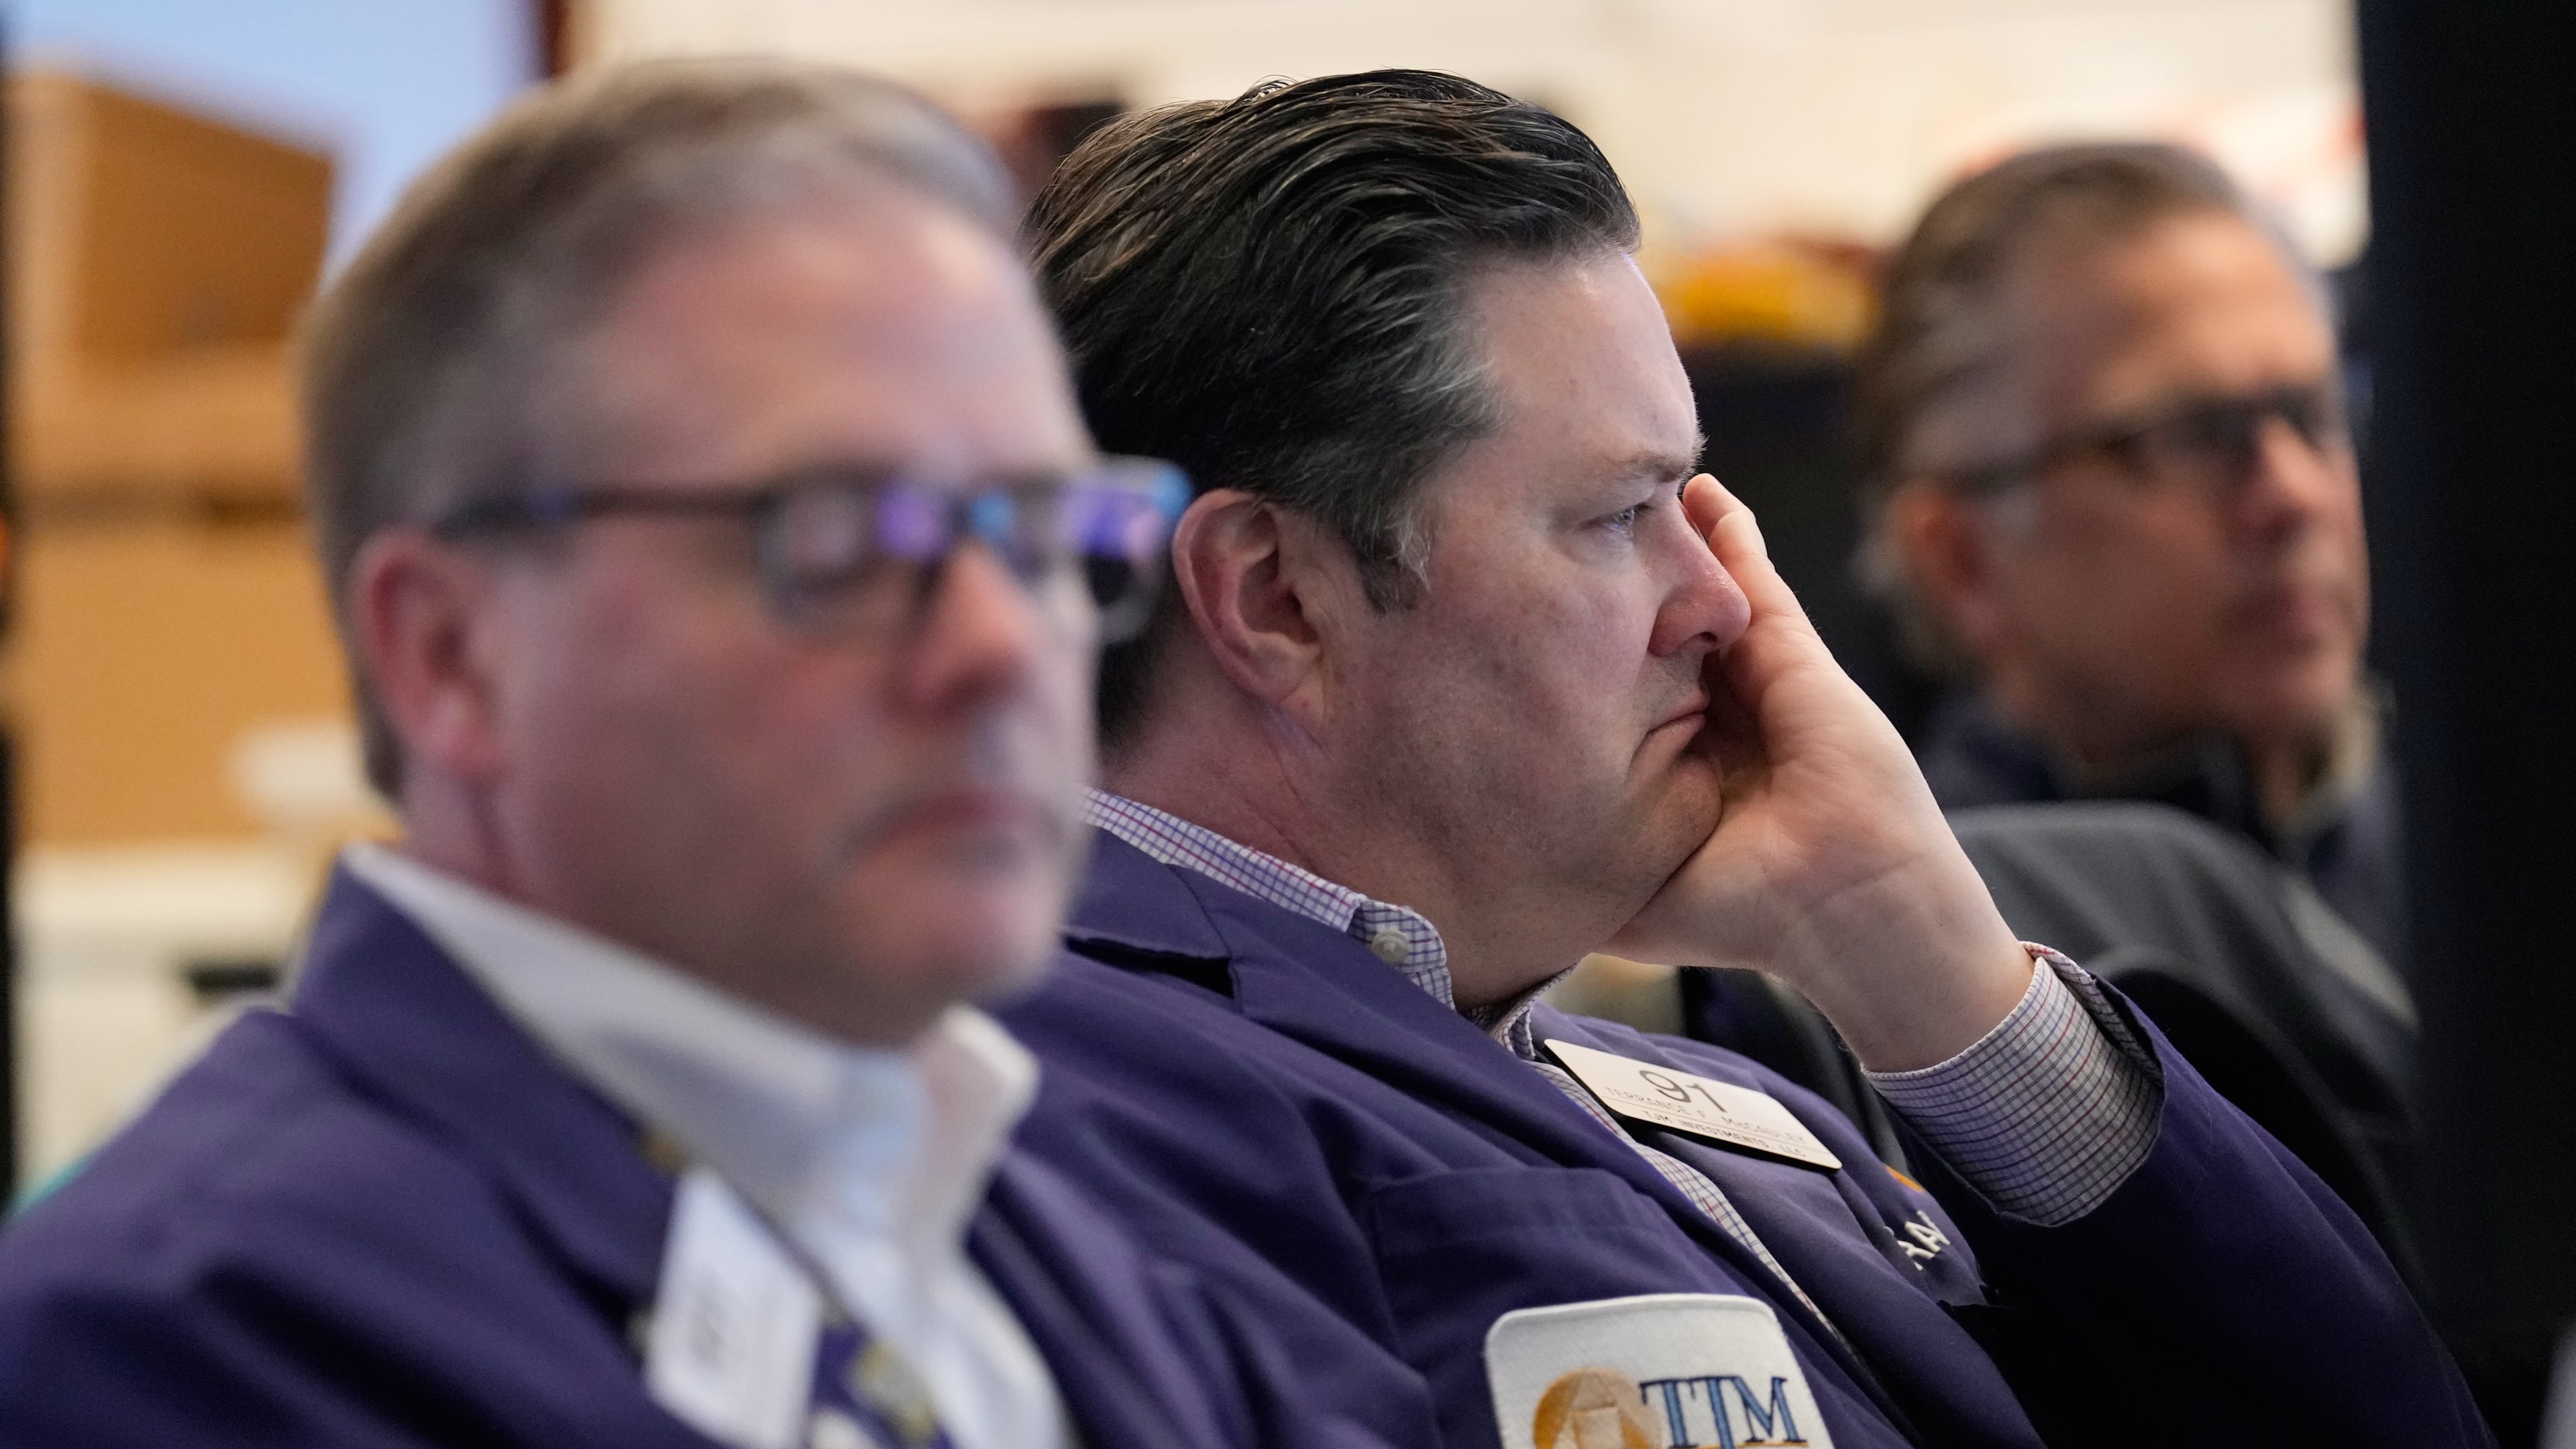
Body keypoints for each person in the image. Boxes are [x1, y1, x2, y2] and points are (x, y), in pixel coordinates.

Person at [994, 70, 2488, 1449]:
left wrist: (1914, 951)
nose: (1724, 602)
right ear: (1276, 599)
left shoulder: (1688, 1096)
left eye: (1687, 503)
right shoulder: (1034, 1109)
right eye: (1617, 516)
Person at [0, 61, 1388, 1449]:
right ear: (454, 654)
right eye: (846, 534)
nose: (1003, 647)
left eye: (1039, 531)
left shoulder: (1006, 1209)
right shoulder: (189, 1346)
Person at [1852, 142, 2405, 977]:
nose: (2295, 494)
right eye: (2188, 436)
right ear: (1964, 559)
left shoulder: (2486, 824)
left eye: (2314, 412)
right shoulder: (1925, 977)